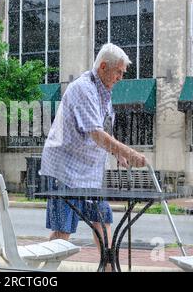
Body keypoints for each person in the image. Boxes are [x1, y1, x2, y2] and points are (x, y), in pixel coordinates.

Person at [40, 43, 147, 256]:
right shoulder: (84, 88)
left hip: (88, 173)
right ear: (103, 67)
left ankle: (108, 267)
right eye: (118, 72)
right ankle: (33, 271)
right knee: (62, 232)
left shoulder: (104, 93)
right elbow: (96, 133)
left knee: (102, 218)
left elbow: (104, 130)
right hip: (65, 170)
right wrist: (129, 152)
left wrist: (116, 152)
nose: (120, 77)